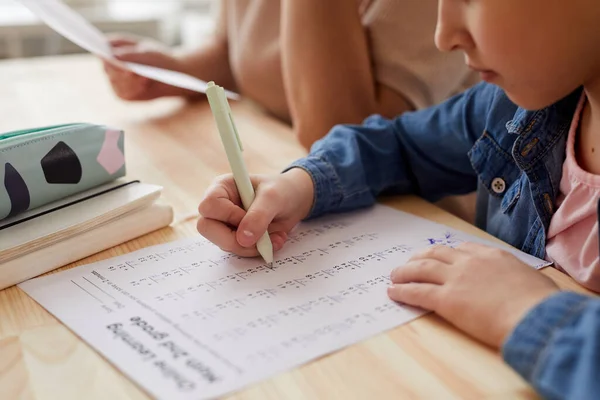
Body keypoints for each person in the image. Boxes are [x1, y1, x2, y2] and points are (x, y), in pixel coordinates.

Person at [196, 0, 600, 398]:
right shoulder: (511, 108)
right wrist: (300, 186)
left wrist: (526, 311)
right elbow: (399, 145)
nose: (444, 36)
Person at [101, 0, 476, 150]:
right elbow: (233, 52)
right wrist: (176, 71)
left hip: (416, 223)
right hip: (277, 165)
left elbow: (342, 136)